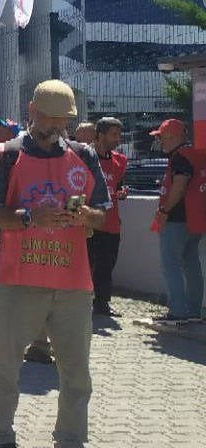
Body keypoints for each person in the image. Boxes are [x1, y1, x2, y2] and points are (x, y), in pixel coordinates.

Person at [0, 79, 110, 448]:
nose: (56, 126)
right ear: (32, 112)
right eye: (49, 118)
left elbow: (103, 214)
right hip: (18, 280)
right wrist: (29, 217)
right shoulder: (3, 155)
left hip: (71, 283)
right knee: (4, 364)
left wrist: (88, 215)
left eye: (63, 120)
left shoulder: (84, 156)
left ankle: (70, 442)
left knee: (76, 371)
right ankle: (2, 437)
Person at [150, 118, 206, 323]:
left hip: (177, 219)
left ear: (172, 137)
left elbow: (180, 185)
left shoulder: (180, 157)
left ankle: (178, 312)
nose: (160, 142)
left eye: (161, 137)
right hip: (195, 219)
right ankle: (193, 310)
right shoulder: (196, 154)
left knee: (170, 264)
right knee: (191, 264)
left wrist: (164, 210)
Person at [89, 117, 128, 317]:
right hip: (89, 222)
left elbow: (117, 185)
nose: (118, 139)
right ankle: (82, 301)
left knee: (106, 265)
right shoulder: (85, 158)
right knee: (87, 264)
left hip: (111, 222)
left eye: (119, 135)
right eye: (113, 135)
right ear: (100, 135)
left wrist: (121, 191)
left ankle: (102, 304)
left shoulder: (119, 161)